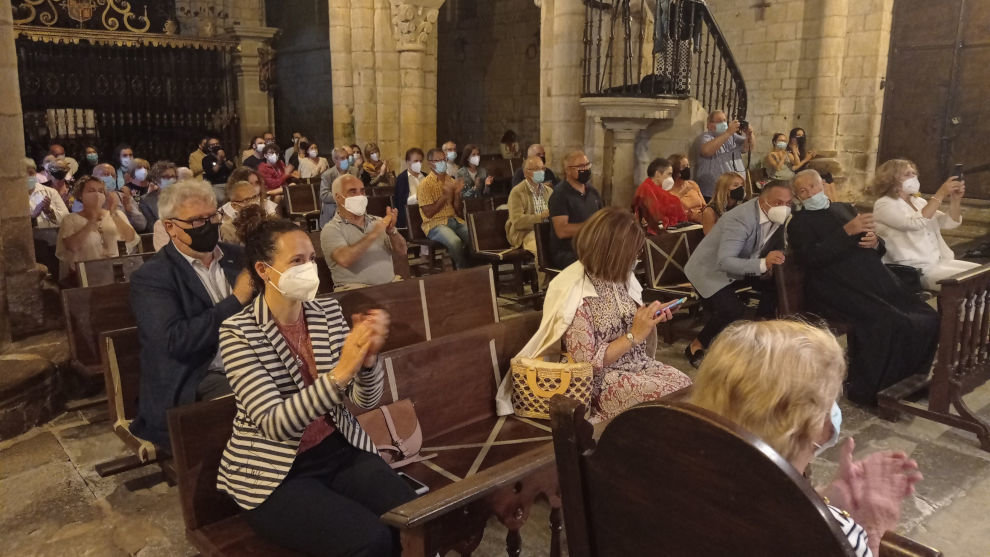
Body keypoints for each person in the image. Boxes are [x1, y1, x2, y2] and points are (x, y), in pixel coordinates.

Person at [217, 205, 416, 556]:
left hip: (338, 449)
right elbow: (274, 424)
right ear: (264, 270)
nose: (309, 268)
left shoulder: (324, 312)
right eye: (297, 261)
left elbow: (365, 401)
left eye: (311, 258)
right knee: (371, 540)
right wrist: (341, 372)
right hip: (277, 472)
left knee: (413, 519)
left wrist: (367, 362)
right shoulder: (239, 333)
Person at [690, 319, 923, 557]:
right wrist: (873, 532)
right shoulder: (829, 537)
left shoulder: (676, 474)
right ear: (817, 428)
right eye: (830, 400)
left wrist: (822, 499)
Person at [497, 208, 691, 422]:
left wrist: (651, 316)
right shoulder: (576, 291)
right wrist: (634, 335)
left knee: (686, 388)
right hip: (599, 382)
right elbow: (585, 363)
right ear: (611, 253)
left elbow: (629, 320)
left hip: (637, 365)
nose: (636, 259)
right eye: (633, 254)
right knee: (668, 403)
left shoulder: (619, 277)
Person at [788, 169, 939, 404]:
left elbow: (877, 247)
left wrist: (875, 241)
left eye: (813, 187)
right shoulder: (799, 223)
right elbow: (811, 259)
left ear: (823, 186)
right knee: (890, 321)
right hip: (835, 287)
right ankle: (874, 390)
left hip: (872, 279)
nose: (809, 193)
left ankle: (911, 380)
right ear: (798, 197)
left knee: (926, 316)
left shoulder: (844, 209)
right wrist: (846, 232)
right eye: (802, 191)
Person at [129, 180, 252, 449]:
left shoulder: (238, 257)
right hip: (197, 375)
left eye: (212, 217)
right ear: (170, 227)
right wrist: (235, 300)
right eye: (196, 222)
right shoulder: (153, 278)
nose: (208, 226)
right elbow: (174, 341)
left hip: (251, 362)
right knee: (258, 402)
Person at [683, 180, 791, 367]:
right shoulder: (740, 219)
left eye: (788, 203)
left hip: (742, 265)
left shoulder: (777, 215)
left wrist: (773, 262)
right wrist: (763, 264)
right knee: (731, 309)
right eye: (778, 202)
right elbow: (725, 261)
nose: (784, 207)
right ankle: (696, 345)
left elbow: (777, 244)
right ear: (763, 200)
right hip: (709, 270)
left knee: (775, 288)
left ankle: (758, 337)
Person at [872, 159, 978, 291]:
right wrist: (940, 193)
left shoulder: (919, 201)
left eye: (914, 173)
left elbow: (949, 222)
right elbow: (914, 223)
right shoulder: (884, 204)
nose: (913, 177)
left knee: (981, 275)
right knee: (969, 285)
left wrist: (955, 200)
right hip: (914, 269)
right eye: (907, 174)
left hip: (937, 261)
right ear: (890, 179)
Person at [322, 175, 407, 291]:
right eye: (353, 192)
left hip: (389, 286)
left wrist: (392, 231)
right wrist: (374, 233)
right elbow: (345, 259)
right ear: (338, 198)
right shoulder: (331, 229)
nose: (360, 196)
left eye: (362, 191)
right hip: (356, 292)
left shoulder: (377, 221)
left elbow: (402, 251)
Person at [55, 175, 139, 282]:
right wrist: (92, 220)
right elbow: (72, 246)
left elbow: (130, 237)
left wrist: (113, 213)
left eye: (100, 191)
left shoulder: (117, 215)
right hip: (86, 276)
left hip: (116, 273)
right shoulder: (70, 219)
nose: (97, 194)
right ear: (80, 195)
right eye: (91, 191)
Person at [548, 151, 604, 269]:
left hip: (592, 247)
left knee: (620, 255)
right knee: (601, 261)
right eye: (580, 166)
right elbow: (561, 230)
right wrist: (592, 227)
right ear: (568, 170)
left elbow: (602, 219)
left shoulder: (593, 192)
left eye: (587, 165)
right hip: (568, 252)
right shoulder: (560, 194)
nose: (586, 169)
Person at [417, 148, 471, 269]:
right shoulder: (424, 185)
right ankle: (462, 270)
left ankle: (475, 268)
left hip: (454, 220)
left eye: (444, 160)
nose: (442, 163)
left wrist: (457, 194)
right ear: (430, 163)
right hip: (435, 225)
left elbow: (458, 210)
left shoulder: (451, 180)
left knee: (474, 237)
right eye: (438, 160)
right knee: (455, 242)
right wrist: (445, 197)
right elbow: (428, 213)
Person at [506, 155, 553, 282]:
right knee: (541, 248)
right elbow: (517, 222)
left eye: (543, 169)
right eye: (537, 169)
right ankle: (544, 288)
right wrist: (541, 217)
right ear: (527, 172)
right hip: (524, 233)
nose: (541, 172)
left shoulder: (549, 191)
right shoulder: (517, 192)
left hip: (546, 230)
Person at [693, 110, 753, 200]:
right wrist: (728, 133)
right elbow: (706, 151)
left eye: (724, 121)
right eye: (719, 121)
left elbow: (747, 147)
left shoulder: (732, 137)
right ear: (709, 125)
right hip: (712, 193)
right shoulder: (706, 137)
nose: (724, 124)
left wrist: (750, 134)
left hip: (734, 191)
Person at [632, 157, 687, 234]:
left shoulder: (660, 190)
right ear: (657, 174)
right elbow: (654, 218)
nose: (671, 178)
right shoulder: (645, 189)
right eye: (669, 174)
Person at [90, 163, 146, 233]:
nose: (110, 178)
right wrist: (111, 210)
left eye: (113, 176)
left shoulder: (124, 197)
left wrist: (130, 210)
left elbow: (141, 226)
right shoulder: (85, 199)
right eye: (106, 174)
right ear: (93, 177)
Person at [220, 179, 278, 245]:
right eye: (247, 200)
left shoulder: (267, 218)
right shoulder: (228, 229)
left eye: (254, 197)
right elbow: (233, 253)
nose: (253, 202)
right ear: (235, 205)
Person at [26, 157, 68, 229]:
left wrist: (49, 211)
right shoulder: (13, 198)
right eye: (24, 174)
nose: (28, 177)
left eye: (31, 173)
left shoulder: (51, 192)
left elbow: (66, 220)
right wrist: (33, 216)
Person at [141, 160, 178, 235]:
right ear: (155, 179)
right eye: (166, 177)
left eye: (173, 176)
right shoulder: (146, 201)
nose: (171, 179)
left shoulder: (184, 197)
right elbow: (151, 227)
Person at [668, 153, 706, 222]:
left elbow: (704, 206)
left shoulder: (693, 184)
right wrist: (682, 193)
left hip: (701, 219)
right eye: (683, 167)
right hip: (686, 222)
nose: (687, 169)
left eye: (688, 165)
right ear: (675, 171)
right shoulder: (668, 189)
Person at [393, 147, 425, 229]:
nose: (419, 164)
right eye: (415, 161)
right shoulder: (402, 178)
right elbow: (401, 203)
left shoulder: (426, 177)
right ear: (407, 162)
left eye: (420, 161)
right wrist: (419, 196)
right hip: (410, 216)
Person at [319, 147, 351, 227]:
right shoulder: (328, 175)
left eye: (347, 158)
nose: (346, 160)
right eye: (343, 158)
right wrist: (342, 197)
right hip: (334, 208)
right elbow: (324, 195)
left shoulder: (354, 171)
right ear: (335, 160)